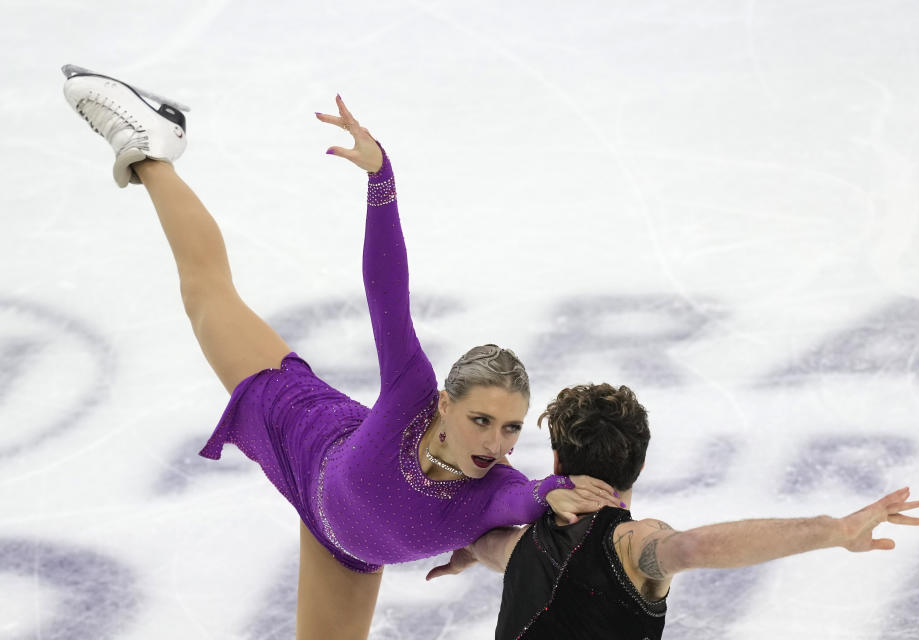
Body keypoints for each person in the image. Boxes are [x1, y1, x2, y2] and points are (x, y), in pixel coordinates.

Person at [61, 67, 624, 640]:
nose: (496, 443)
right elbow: (387, 292)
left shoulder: (496, 492)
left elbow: (537, 496)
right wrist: (381, 178)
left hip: (345, 549)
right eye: (482, 420)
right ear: (444, 404)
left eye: (510, 428)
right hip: (299, 430)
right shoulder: (410, 393)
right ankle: (152, 148)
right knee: (205, 293)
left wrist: (563, 491)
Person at [427, 383, 919, 639]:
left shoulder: (523, 545)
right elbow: (690, 547)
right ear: (641, 464)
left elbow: (478, 539)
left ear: (556, 460)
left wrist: (469, 546)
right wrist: (834, 529)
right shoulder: (630, 544)